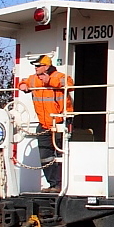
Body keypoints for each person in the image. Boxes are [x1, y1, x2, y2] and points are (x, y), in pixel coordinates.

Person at [17, 54, 73, 193]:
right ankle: (54, 184)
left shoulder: (59, 76)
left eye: (38, 66)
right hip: (44, 123)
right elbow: (22, 82)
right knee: (45, 155)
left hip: (61, 120)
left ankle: (65, 184)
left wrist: (50, 82)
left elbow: (70, 85)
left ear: (46, 67)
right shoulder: (34, 79)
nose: (35, 68)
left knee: (61, 153)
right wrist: (23, 86)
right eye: (35, 66)